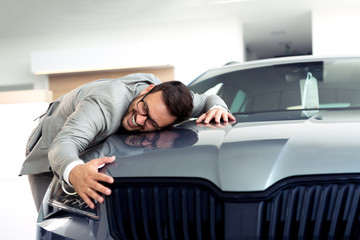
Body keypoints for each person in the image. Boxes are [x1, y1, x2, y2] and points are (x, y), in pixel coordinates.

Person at [20, 73, 235, 210]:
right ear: (147, 90)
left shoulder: (172, 101)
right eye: (144, 108)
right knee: (54, 214)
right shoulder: (106, 103)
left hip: (97, 144)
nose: (139, 120)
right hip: (51, 148)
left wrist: (218, 109)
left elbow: (207, 99)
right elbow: (64, 144)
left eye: (152, 122)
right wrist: (75, 171)